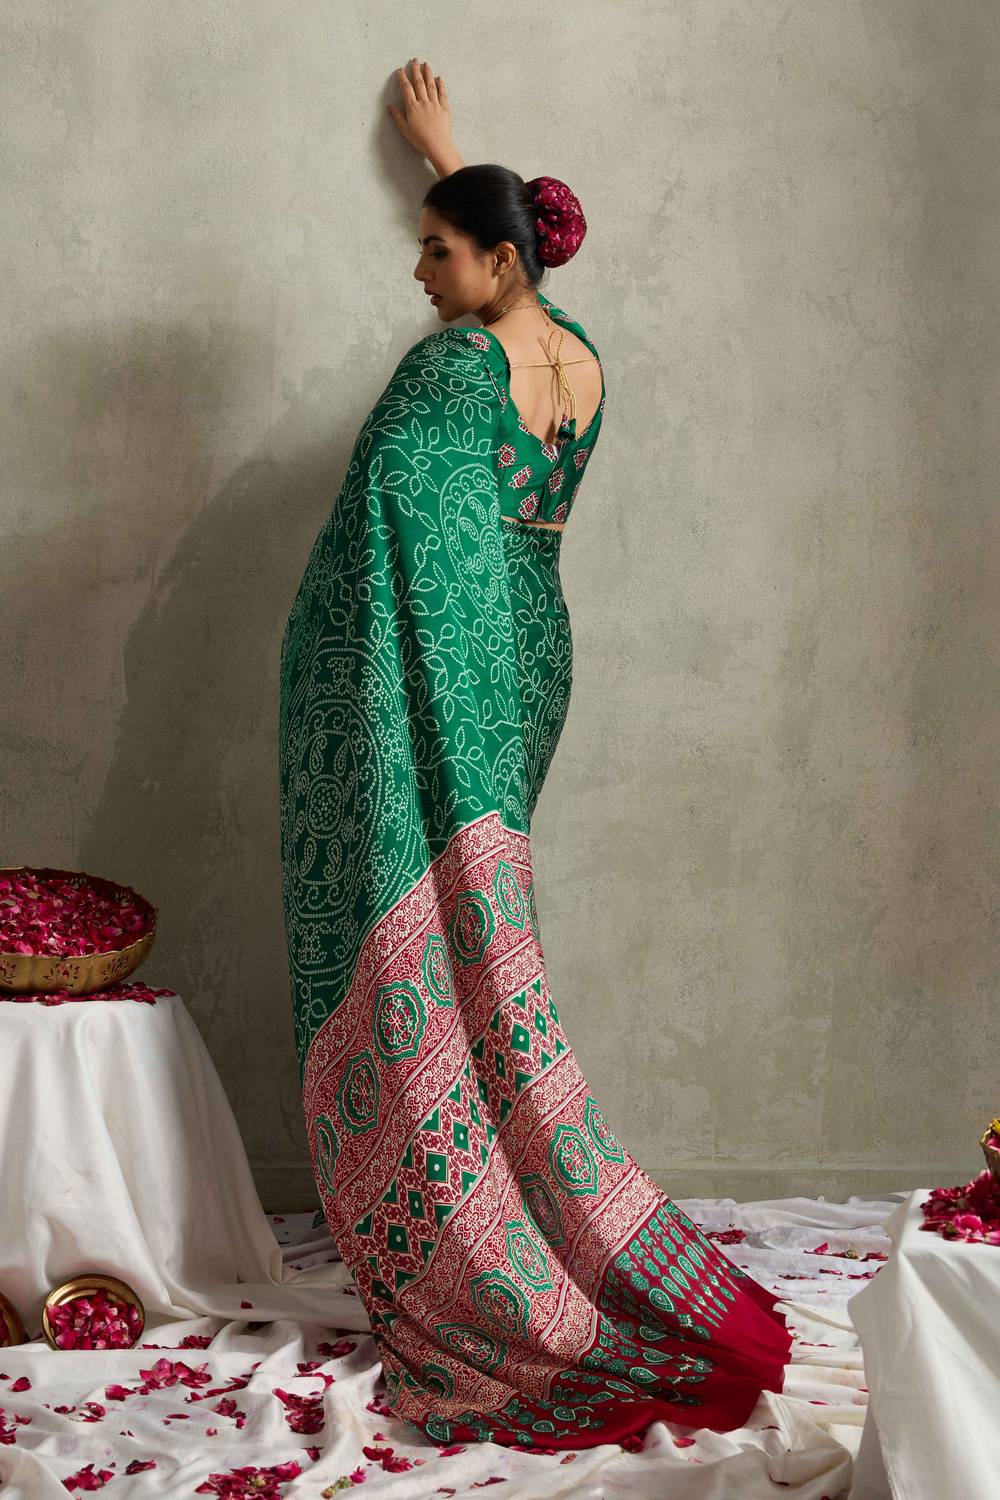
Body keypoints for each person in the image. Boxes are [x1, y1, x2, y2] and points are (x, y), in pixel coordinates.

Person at [278, 58, 792, 1450]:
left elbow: (393, 505)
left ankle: (479, 1242)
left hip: (442, 665)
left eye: (436, 251)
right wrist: (448, 152)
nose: (419, 274)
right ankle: (521, 1180)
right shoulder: (581, 355)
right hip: (527, 651)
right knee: (482, 926)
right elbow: (509, 290)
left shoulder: (451, 366)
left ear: (495, 258)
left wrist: (318, 652)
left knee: (436, 936)